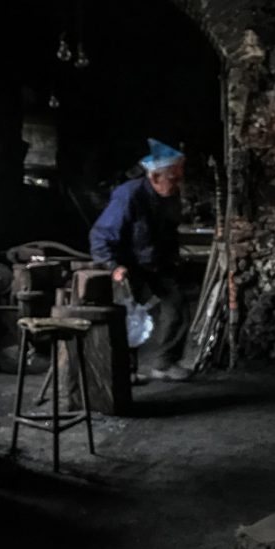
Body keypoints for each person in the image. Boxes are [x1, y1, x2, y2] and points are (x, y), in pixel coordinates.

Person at [90, 139, 192, 381]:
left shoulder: (167, 196)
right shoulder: (129, 196)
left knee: (176, 306)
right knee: (128, 317)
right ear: (155, 178)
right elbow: (100, 235)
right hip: (128, 264)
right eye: (173, 179)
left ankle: (165, 363)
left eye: (179, 178)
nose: (178, 184)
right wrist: (112, 266)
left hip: (156, 262)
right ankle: (125, 371)